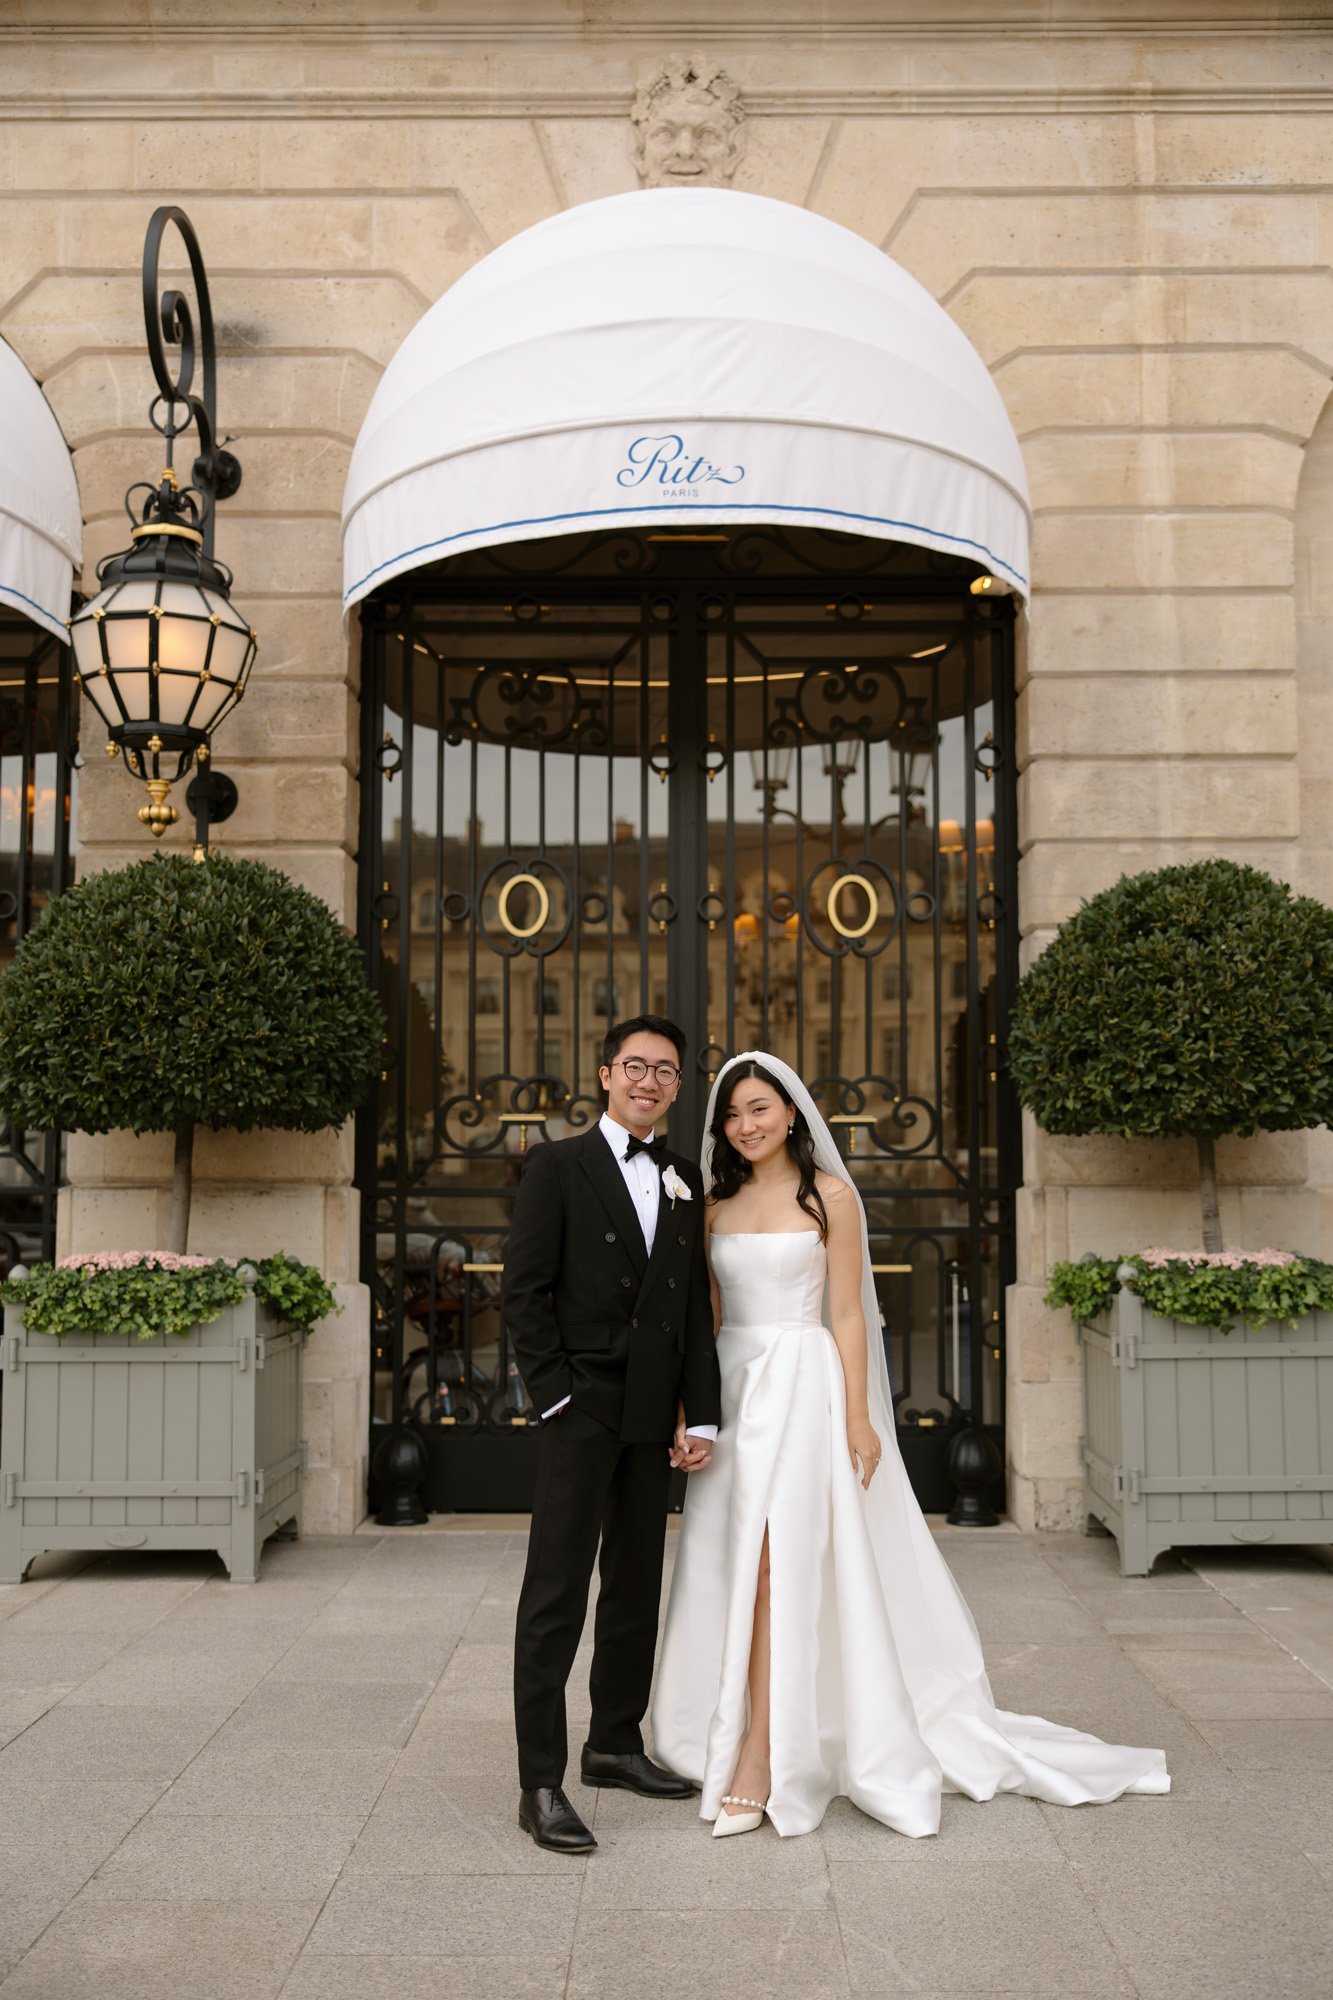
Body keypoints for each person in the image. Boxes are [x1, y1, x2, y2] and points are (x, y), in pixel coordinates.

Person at [651, 1051, 1169, 1839]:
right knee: (734, 1561)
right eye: (730, 1114)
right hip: (735, 1388)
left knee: (773, 1560)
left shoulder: (828, 1198)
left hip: (803, 1387)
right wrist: (695, 1412)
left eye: (758, 1109)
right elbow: (708, 1323)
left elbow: (850, 1314)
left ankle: (759, 1754)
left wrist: (859, 1418)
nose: (744, 1125)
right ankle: (731, 1728)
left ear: (791, 1113)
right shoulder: (715, 1205)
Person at [504, 1015, 722, 1853]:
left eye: (664, 1071)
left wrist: (695, 1411)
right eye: (635, 1066)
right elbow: (523, 1293)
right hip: (581, 1408)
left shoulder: (682, 1176)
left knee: (634, 1585)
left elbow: (690, 1311)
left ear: (675, 1087)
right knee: (554, 1595)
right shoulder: (555, 1167)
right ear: (604, 1074)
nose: (648, 1081)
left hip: (650, 1414)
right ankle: (539, 1781)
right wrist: (555, 1398)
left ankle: (614, 1744)